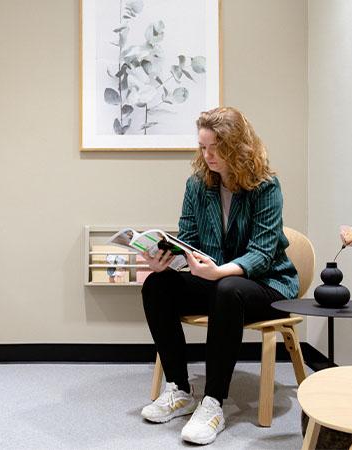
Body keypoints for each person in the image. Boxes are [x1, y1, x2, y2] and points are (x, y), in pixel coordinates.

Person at [140, 106, 299, 445]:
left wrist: (218, 272)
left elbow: (262, 253)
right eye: (202, 146)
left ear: (238, 146)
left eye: (216, 147)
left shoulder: (266, 187)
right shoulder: (198, 185)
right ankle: (180, 390)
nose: (208, 155)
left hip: (267, 285)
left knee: (227, 289)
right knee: (157, 285)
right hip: (218, 280)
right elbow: (190, 239)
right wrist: (167, 259)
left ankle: (213, 403)